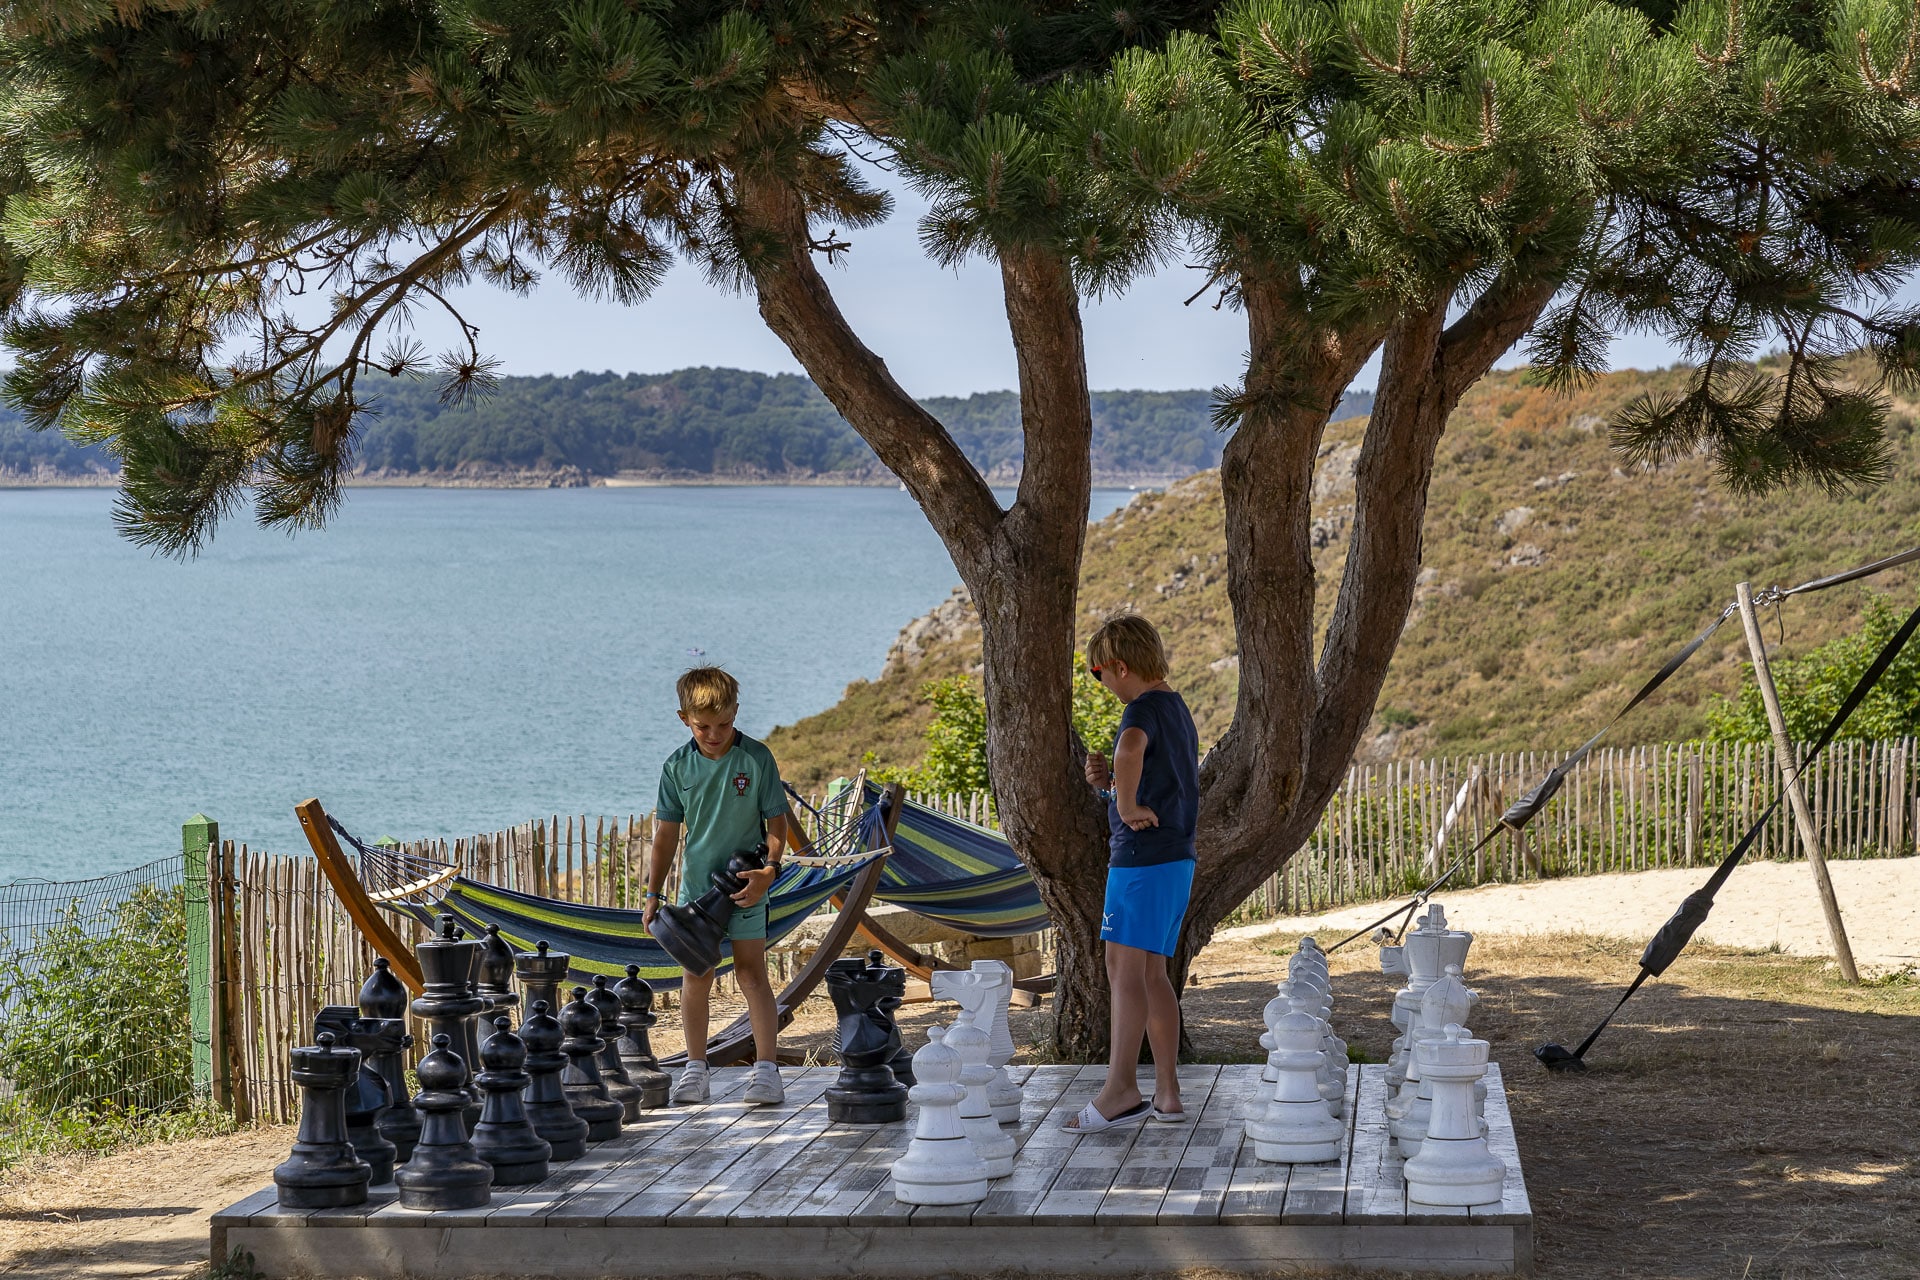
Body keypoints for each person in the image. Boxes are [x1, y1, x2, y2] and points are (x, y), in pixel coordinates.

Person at [1065, 613, 1199, 1132]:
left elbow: (1130, 748)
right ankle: (1167, 1091)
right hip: (1175, 856)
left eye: (1100, 675)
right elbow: (1150, 773)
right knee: (1151, 974)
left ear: (1120, 666)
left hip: (1141, 860)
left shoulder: (1140, 709)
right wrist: (1111, 789)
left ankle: (1120, 1089)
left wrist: (1122, 804)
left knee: (1122, 971)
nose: (1102, 686)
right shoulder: (1175, 707)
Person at [642, 667, 788, 1106]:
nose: (714, 733)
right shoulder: (676, 767)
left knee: (752, 973)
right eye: (703, 726)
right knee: (696, 975)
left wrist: (771, 871)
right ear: (683, 718)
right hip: (694, 896)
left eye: (723, 724)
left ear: (736, 713)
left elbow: (777, 823)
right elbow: (666, 836)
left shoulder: (757, 758)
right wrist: (653, 895)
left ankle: (767, 1070)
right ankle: (695, 1069)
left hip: (747, 886)